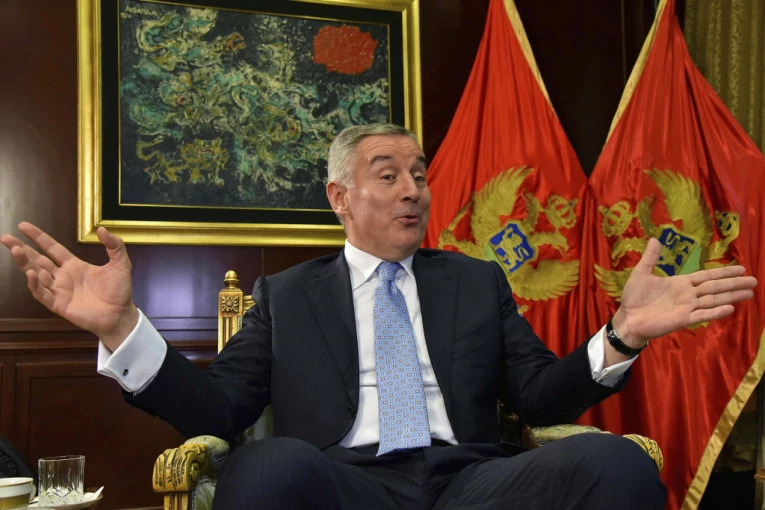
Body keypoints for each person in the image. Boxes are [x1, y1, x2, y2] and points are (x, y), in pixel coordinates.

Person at [1, 123, 757, 509]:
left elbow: (537, 397)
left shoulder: (475, 281)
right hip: (343, 482)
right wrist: (120, 329)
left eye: (419, 175)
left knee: (616, 463)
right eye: (388, 174)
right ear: (340, 198)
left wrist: (622, 335)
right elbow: (221, 408)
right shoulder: (286, 296)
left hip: (469, 484)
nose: (412, 190)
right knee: (264, 464)